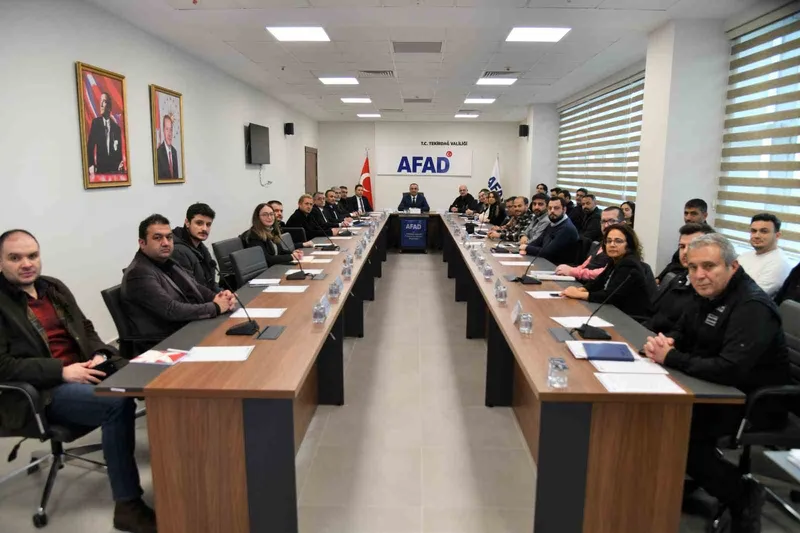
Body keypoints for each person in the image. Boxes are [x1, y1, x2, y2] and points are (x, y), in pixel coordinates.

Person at [0, 230, 156, 533]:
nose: (27, 263)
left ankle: (179, 472)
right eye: (15, 258)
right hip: (42, 391)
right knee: (116, 402)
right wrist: (61, 371)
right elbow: (3, 366)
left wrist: (100, 353)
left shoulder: (52, 288)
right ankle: (128, 506)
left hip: (82, 370)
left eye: (32, 255)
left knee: (151, 377)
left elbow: (85, 327)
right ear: (1, 262)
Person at [644, 233, 789, 533]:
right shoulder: (708, 294)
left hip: (756, 403)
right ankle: (685, 480)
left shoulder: (752, 306)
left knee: (676, 430)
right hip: (714, 389)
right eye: (693, 267)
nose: (699, 275)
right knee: (657, 416)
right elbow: (683, 330)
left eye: (709, 266)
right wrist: (669, 342)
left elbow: (730, 369)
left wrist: (671, 358)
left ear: (732, 266)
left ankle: (742, 495)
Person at [121, 215, 235, 351]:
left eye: (169, 237)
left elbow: (194, 287)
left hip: (186, 329)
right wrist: (215, 307)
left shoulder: (167, 262)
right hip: (164, 344)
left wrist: (218, 297)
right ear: (142, 243)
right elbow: (171, 309)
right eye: (157, 238)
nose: (165, 243)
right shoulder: (139, 272)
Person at [561, 223, 654, 320]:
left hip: (632, 318)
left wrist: (578, 294)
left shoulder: (629, 264)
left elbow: (611, 295)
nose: (612, 245)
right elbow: (598, 282)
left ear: (629, 245)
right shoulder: (615, 260)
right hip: (615, 311)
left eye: (618, 241)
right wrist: (581, 289)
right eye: (609, 241)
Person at [645, 223, 716, 334]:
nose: (685, 252)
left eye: (693, 246)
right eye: (682, 247)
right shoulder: (678, 279)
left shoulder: (708, 289)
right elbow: (654, 314)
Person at [554, 206, 624, 281]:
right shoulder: (602, 242)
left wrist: (573, 272)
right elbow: (585, 265)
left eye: (612, 221)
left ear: (622, 224)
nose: (606, 225)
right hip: (584, 282)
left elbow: (606, 273)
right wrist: (569, 270)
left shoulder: (623, 246)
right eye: (603, 221)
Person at [656, 198, 713, 283]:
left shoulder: (709, 239)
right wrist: (659, 278)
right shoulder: (687, 234)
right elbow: (674, 262)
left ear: (705, 216)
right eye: (686, 213)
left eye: (693, 214)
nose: (688, 218)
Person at [737, 213, 792, 297]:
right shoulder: (745, 255)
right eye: (753, 231)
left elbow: (752, 295)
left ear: (777, 235)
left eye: (764, 231)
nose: (757, 236)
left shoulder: (779, 263)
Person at [171, 202, 219, 292]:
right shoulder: (178, 251)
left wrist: (223, 294)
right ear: (187, 223)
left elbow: (210, 283)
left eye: (208, 224)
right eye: (199, 223)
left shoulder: (200, 247)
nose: (204, 229)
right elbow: (190, 291)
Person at [519, 197, 579, 264]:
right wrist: (524, 247)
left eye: (556, 208)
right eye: (550, 208)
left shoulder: (566, 228)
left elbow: (548, 252)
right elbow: (538, 241)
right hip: (546, 262)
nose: (552, 211)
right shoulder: (553, 223)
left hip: (557, 266)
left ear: (564, 210)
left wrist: (526, 248)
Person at [86, 92, 124, 176]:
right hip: (100, 171)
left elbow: (119, 153)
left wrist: (120, 165)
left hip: (114, 172)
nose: (101, 105)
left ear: (109, 107)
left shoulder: (116, 128)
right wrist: (91, 164)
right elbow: (90, 147)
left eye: (104, 101)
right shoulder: (96, 123)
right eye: (100, 101)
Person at [156, 114, 179, 180]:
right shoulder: (158, 153)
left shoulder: (174, 152)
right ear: (163, 130)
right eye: (167, 129)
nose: (169, 134)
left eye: (171, 130)